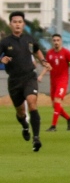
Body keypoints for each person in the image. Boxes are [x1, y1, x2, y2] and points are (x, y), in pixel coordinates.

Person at [0, 11, 50, 151]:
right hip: (14, 81)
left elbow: (37, 50)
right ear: (10, 24)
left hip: (29, 77)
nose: (17, 24)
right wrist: (1, 60)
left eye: (20, 22)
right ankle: (24, 126)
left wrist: (44, 61)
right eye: (15, 22)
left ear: (23, 24)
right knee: (21, 112)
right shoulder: (5, 42)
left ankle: (36, 139)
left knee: (32, 104)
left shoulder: (29, 39)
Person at [38, 33, 70, 132]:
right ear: (52, 42)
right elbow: (47, 66)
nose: (56, 42)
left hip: (62, 81)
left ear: (61, 41)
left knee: (58, 100)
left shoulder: (67, 53)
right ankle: (69, 119)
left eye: (58, 40)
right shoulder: (49, 53)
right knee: (55, 105)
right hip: (53, 82)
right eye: (54, 40)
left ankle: (53, 126)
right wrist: (41, 75)